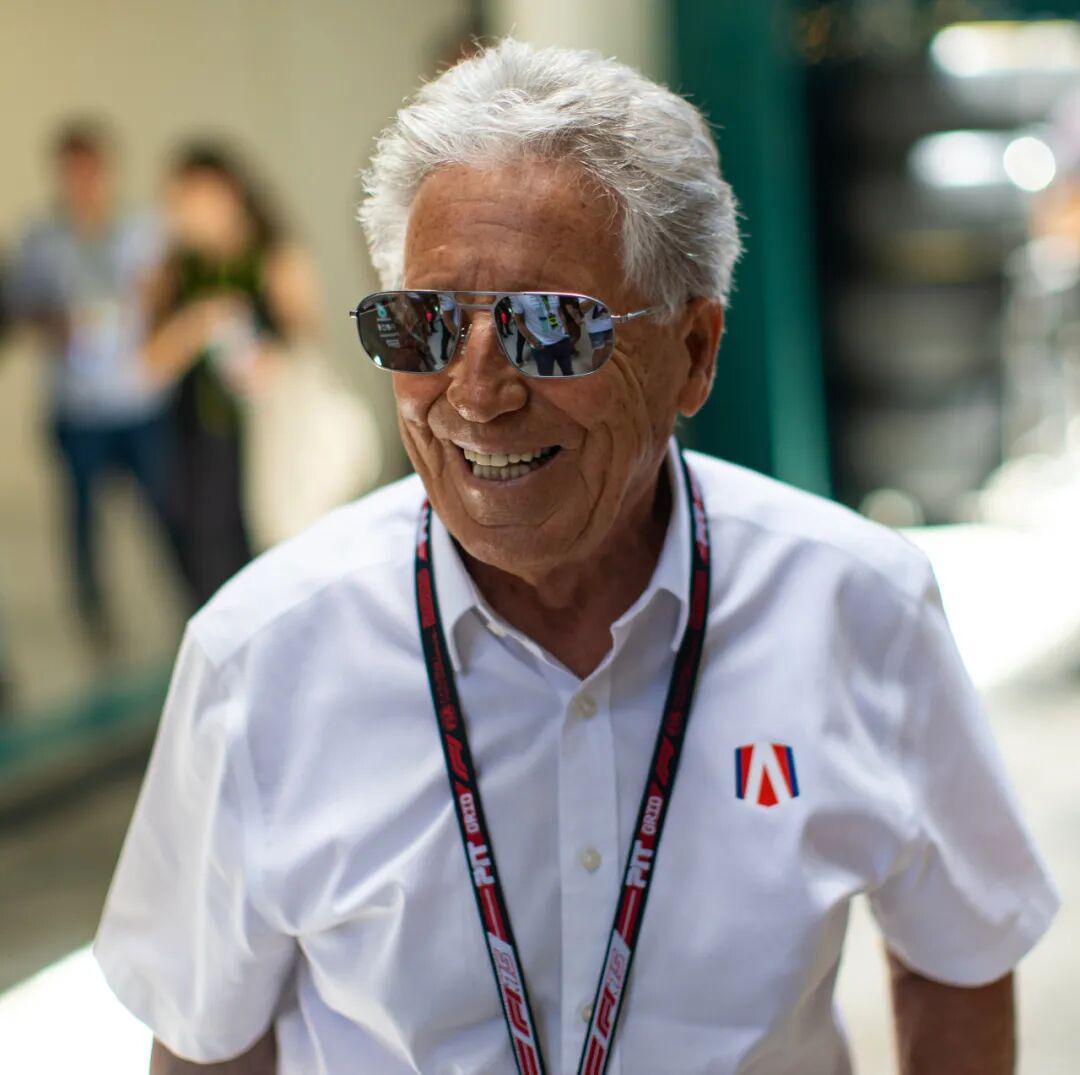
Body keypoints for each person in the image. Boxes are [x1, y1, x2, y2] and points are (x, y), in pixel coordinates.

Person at [95, 40, 1058, 1075]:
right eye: (425, 324)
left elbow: (960, 951)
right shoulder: (260, 658)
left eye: (550, 327)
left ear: (693, 353)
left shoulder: (861, 608)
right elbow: (205, 1041)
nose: (478, 392)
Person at [3, 119, 173, 648]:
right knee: (81, 521)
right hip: (77, 406)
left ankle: (188, 599)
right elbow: (18, 309)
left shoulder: (142, 231)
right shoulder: (41, 240)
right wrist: (53, 323)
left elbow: (167, 296)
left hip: (137, 399)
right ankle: (95, 619)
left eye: (90, 171)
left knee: (163, 510)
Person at [141, 143, 320, 608]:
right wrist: (199, 323)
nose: (182, 214)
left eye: (191, 199)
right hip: (194, 443)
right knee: (203, 565)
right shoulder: (173, 270)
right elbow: (148, 364)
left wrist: (267, 360)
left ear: (228, 193)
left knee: (269, 563)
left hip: (266, 440)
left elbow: (306, 346)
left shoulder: (275, 258)